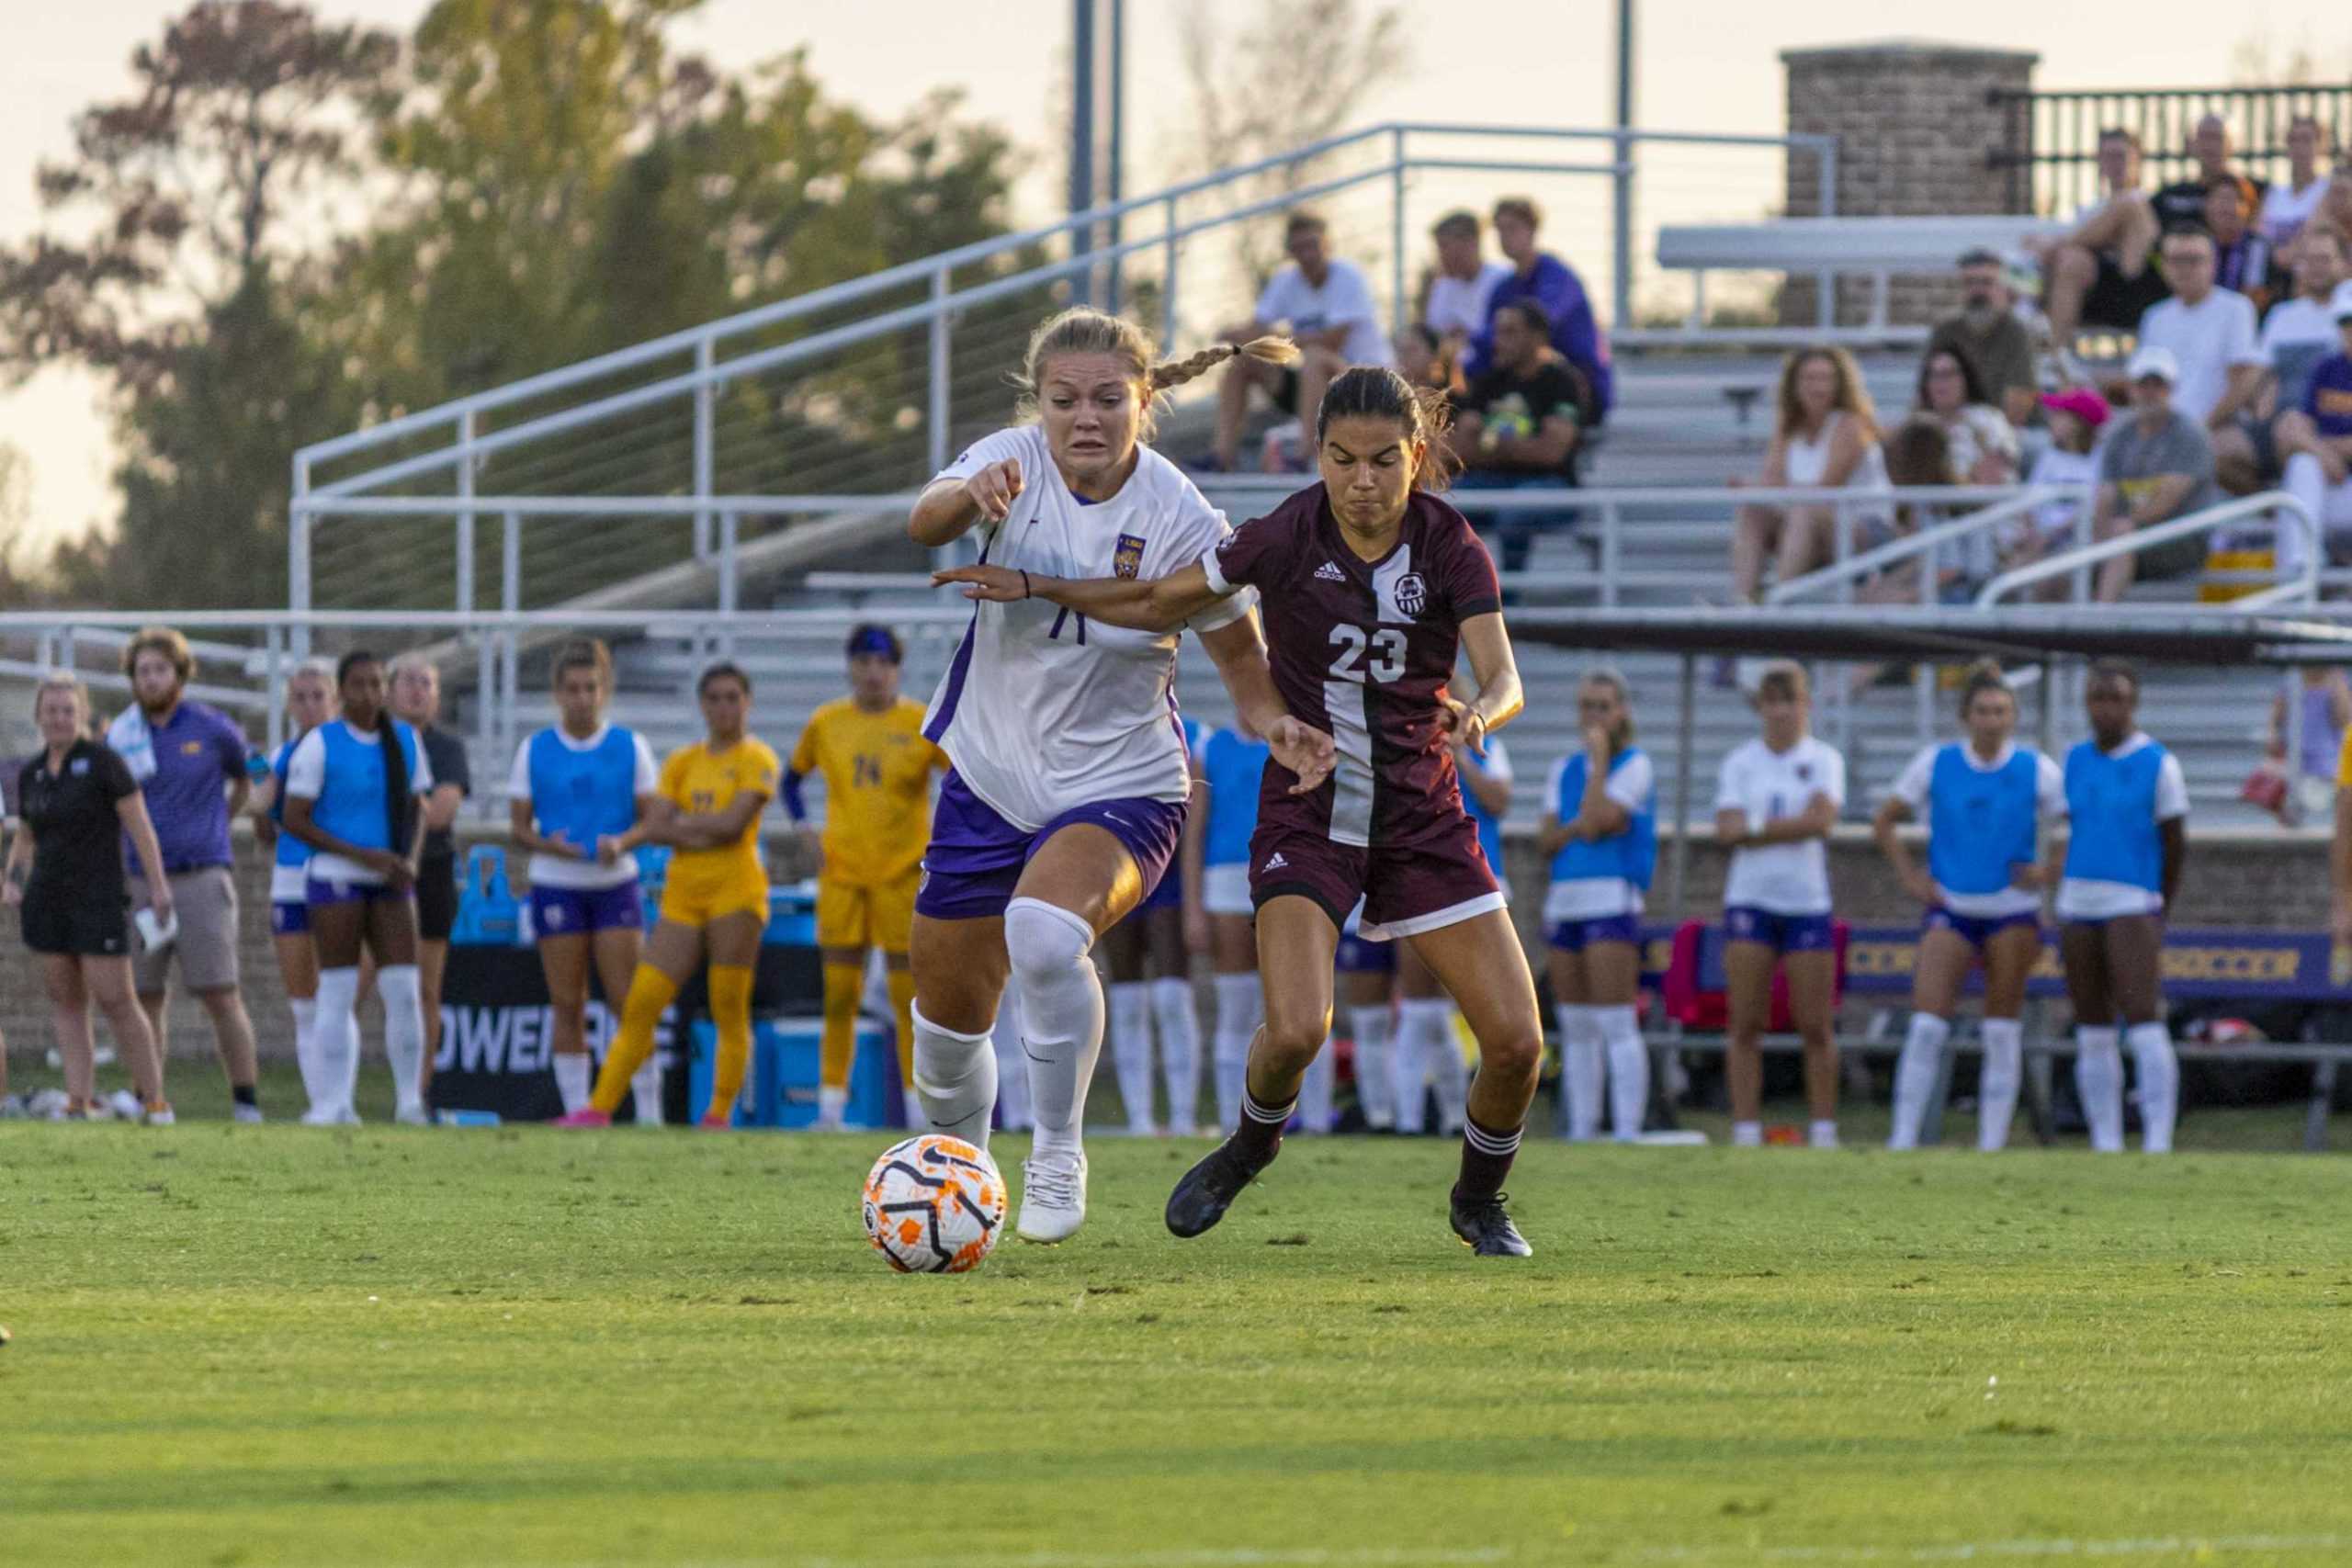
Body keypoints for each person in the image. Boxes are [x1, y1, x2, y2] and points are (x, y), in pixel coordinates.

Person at [947, 366, 1543, 1257]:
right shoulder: (1283, 534)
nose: (1363, 482)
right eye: (1342, 460)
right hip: (1309, 812)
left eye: (1384, 461)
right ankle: (1249, 1145)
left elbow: (1504, 677)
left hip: (1422, 816)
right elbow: (1159, 600)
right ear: (1320, 454)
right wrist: (1040, 589)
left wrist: (1477, 712)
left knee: (1515, 1044)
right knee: (1297, 1029)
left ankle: (1478, 1201)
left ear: (1416, 457)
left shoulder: (1449, 544)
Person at [909, 306, 1332, 1245]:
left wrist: (1279, 728)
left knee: (1044, 932)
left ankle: (1058, 1144)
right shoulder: (1007, 459)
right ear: (1040, 403)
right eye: (1064, 400)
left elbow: (1241, 667)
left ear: (1146, 401)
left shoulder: (1182, 517)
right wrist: (970, 494)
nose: (1084, 419)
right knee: (942, 1041)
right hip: (989, 771)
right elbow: (923, 522)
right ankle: (954, 1188)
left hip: (1124, 783)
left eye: (1107, 399)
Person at [559, 662, 777, 1130]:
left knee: (727, 1004)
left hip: (736, 894)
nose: (723, 707)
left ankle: (718, 1112)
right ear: (702, 704)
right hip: (684, 894)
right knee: (643, 999)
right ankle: (599, 1108)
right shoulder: (682, 761)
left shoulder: (758, 759)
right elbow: (660, 826)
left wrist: (681, 829)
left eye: (732, 697)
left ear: (748, 702)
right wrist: (675, 833)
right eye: (714, 697)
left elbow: (731, 827)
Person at [1874, 663, 2064, 1154]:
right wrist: (1911, 878)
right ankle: (1901, 1137)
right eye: (1982, 710)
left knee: (2001, 1027)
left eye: (2001, 710)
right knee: (1927, 1022)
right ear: (1965, 716)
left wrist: (2049, 873)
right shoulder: (1935, 763)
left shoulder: (2035, 767)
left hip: (2012, 909)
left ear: (2013, 716)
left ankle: (1991, 1143)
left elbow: (2075, 821)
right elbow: (1886, 820)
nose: (1992, 719)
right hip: (1953, 905)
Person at [783, 624, 948, 1131]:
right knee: (839, 994)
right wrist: (806, 834)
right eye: (863, 661)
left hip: (901, 877)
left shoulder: (921, 721)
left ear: (897, 668)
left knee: (906, 1000)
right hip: (844, 875)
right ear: (851, 667)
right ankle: (831, 1107)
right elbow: (791, 781)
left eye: (883, 662)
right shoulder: (827, 722)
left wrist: (941, 843)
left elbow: (960, 781)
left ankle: (917, 1111)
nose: (873, 672)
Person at [106, 626, 263, 1120]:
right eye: (142, 671)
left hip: (200, 878)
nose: (151, 680)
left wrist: (220, 820)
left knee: (220, 992)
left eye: (160, 669)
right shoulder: (122, 734)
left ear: (180, 673)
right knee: (144, 997)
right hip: (138, 882)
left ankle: (245, 1102)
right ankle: (147, 1097)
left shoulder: (212, 727)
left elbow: (250, 778)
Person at [6, 673, 172, 1122]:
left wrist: (158, 885)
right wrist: (12, 878)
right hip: (48, 901)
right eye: (51, 710)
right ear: (39, 715)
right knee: (66, 1000)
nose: (59, 718)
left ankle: (155, 1100)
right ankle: (79, 1100)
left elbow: (140, 828)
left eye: (67, 710)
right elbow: (26, 834)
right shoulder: (32, 771)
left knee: (117, 999)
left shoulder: (104, 763)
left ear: (80, 714)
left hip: (97, 900)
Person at [507, 639, 662, 1121]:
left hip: (614, 883)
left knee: (626, 1000)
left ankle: (649, 1110)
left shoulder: (630, 745)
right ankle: (578, 1108)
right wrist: (547, 845)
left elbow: (652, 819)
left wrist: (624, 842)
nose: (582, 697)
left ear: (604, 690)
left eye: (590, 688)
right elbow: (518, 827)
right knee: (567, 1000)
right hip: (557, 883)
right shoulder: (534, 748)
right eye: (572, 689)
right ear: (557, 693)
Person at [279, 651, 435, 1125]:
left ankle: (409, 1100)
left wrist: (409, 859)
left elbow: (419, 809)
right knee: (338, 989)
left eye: (375, 684)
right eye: (358, 685)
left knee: (405, 989)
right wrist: (359, 855)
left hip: (390, 881)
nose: (368, 694)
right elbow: (294, 818)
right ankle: (334, 1103)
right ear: (342, 691)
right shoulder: (320, 744)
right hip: (335, 878)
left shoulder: (405, 740)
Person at [2058, 663, 2188, 1155]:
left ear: (2133, 704)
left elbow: (2175, 842)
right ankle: (2105, 1139)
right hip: (2078, 898)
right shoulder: (2073, 760)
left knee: (2141, 1014)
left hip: (2131, 899)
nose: (2105, 707)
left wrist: (2159, 905)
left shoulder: (2158, 763)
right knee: (2091, 1021)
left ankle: (2157, 1138)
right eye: (2097, 698)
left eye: (2115, 698)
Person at [1714, 662, 1844, 1149]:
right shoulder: (1740, 762)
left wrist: (1754, 828)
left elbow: (1822, 821)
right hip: (1750, 899)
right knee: (1745, 1021)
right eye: (1772, 700)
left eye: (1790, 700)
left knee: (1815, 1023)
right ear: (1760, 708)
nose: (1782, 711)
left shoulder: (1825, 759)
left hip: (1806, 901)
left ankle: (1824, 1130)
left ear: (1806, 705)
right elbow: (1725, 830)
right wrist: (1786, 824)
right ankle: (1746, 1129)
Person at [1537, 670, 1655, 1143]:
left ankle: (1626, 1130)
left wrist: (1602, 760)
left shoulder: (1635, 763)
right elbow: (1547, 839)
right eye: (1587, 705)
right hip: (1565, 901)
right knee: (1576, 1024)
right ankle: (1583, 1130)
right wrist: (1576, 825)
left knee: (1615, 1020)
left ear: (1621, 711)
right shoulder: (1563, 767)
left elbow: (1591, 822)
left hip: (1611, 898)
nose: (1594, 715)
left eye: (1604, 706)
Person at [1390, 728, 1510, 1139]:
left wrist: (1458, 756)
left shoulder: (1487, 748)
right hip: (1417, 878)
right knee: (1419, 1006)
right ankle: (1405, 1120)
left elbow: (1498, 801)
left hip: (1476, 884)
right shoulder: (1405, 746)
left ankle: (1460, 1119)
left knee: (1461, 1008)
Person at [248, 659, 355, 1122]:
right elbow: (268, 834)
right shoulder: (281, 757)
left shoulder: (350, 752)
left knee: (337, 993)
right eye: (301, 697)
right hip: (290, 880)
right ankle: (320, 1104)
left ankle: (342, 1102)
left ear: (335, 699)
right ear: (290, 703)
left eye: (319, 696)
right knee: (303, 1002)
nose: (310, 705)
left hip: (337, 878)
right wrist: (259, 805)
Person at [1211, 211, 1388, 471]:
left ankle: (1304, 454)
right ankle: (1221, 455)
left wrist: (1273, 337)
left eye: (1312, 245)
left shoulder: (1348, 277)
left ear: (1327, 245)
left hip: (1363, 386)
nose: (1306, 254)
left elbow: (1332, 341)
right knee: (1243, 363)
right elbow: (1257, 327)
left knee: (1315, 358)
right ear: (1290, 252)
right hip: (1315, 386)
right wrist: (1232, 333)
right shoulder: (1286, 280)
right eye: (1298, 248)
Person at [1101, 712, 1204, 1137]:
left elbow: (1195, 821)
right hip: (1114, 869)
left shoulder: (1195, 735)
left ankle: (1182, 1116)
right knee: (1126, 1001)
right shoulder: (1101, 728)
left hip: (1168, 874)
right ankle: (1139, 1119)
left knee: (1171, 997)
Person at [1727, 345, 1891, 604]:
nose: (1818, 387)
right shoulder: (1788, 428)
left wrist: (1765, 488)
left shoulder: (1851, 425)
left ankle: (1778, 603)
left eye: (1826, 378)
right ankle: (1743, 601)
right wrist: (1754, 489)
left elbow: (1827, 488)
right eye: (1810, 378)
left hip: (1864, 528)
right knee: (1753, 510)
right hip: (1807, 521)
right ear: (1794, 384)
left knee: (1806, 509)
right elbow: (1773, 481)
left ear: (1840, 384)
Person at [1450, 299, 1585, 579]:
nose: (1499, 340)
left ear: (1538, 337)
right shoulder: (1490, 381)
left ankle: (1506, 603)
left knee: (1515, 512)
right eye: (1498, 331)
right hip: (1490, 481)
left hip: (1551, 484)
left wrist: (1491, 445)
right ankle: (1449, 599)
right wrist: (1520, 448)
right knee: (1441, 510)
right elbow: (1461, 448)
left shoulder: (1562, 382)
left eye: (1510, 332)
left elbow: (1551, 454)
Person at [390, 656, 469, 1108]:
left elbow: (440, 815)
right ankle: (335, 1091)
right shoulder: (374, 743)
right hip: (376, 872)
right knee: (355, 985)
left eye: (426, 683)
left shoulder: (448, 749)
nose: (417, 691)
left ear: (437, 696)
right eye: (408, 682)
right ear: (390, 691)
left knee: (425, 989)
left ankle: (416, 1095)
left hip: (431, 873)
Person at [1185, 718, 1272, 1132]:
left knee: (1290, 1009)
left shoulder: (1294, 742)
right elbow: (1195, 832)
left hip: (1281, 876)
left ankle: (1305, 1116)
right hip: (1225, 880)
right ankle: (1229, 1119)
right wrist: (1193, 907)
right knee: (1236, 1007)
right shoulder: (1212, 748)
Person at [2090, 345, 2222, 603]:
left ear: (2171, 389)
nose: (2150, 393)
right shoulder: (2119, 435)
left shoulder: (2190, 436)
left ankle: (2095, 622)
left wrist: (2118, 522)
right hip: (2130, 535)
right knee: (2062, 548)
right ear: (2131, 389)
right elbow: (2105, 498)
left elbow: (2165, 501)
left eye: (2158, 385)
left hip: (2181, 538)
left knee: (2121, 533)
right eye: (2143, 384)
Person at [1469, 197, 1611, 423]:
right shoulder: (1504, 287)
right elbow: (1489, 340)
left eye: (1513, 228)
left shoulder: (1558, 277)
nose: (1505, 237)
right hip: (1526, 384)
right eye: (1500, 230)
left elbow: (1534, 327)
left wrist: (1473, 339)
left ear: (1533, 230)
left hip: (1574, 384)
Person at [2032, 128, 2165, 350]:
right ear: (2100, 162)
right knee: (2070, 259)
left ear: (2137, 160)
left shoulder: (2146, 203)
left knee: (2127, 204)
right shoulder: (2088, 211)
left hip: (2140, 285)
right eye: (2109, 156)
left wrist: (2055, 245)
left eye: (2122, 156)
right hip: (2101, 294)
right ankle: (2055, 354)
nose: (2116, 164)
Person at [2138, 229, 2263, 433]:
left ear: (2212, 264)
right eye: (2176, 260)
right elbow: (2145, 384)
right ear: (2164, 266)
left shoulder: (2236, 308)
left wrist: (2202, 429)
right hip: (2163, 431)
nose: (2185, 268)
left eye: (2194, 260)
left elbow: (2244, 380)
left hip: (2217, 429)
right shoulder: (2154, 317)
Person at [2278, 281, 2352, 569]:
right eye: (2346, 323)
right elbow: (2292, 426)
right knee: (2302, 465)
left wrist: (2324, 447)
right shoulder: (2327, 367)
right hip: (2337, 484)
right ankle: (2300, 567)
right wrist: (2323, 453)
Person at [1999, 388, 2109, 575]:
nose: (2052, 421)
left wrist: (2050, 536)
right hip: (2040, 542)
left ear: (2078, 424)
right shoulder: (2050, 456)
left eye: (2060, 416)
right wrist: (2032, 533)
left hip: (2076, 545)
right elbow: (2029, 503)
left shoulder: (2101, 459)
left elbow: (2095, 507)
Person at [1928, 250, 2038, 428]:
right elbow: (1925, 395)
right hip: (1955, 428)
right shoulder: (1945, 330)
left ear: (2002, 288)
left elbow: (2019, 403)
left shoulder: (2016, 331)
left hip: (2009, 432)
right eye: (1969, 283)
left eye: (1986, 282)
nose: (1977, 291)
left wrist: (1988, 445)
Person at [1418, 209, 1510, 369]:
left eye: (1444, 246)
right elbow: (1434, 337)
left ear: (1471, 243)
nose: (1439, 255)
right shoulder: (1442, 286)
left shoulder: (1502, 279)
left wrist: (1466, 335)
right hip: (1450, 376)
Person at [1913, 347, 2020, 485]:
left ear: (1965, 378)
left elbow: (1999, 473)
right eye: (1933, 375)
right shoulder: (1917, 426)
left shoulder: (1989, 419)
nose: (1940, 383)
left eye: (1948, 374)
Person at [2152, 115, 2264, 234]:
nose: (2210, 146)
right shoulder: (2171, 195)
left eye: (2217, 138)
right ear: (2191, 144)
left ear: (2231, 144)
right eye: (2204, 138)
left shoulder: (2254, 190)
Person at [2258, 117, 2334, 253]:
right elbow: (2261, 236)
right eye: (2294, 140)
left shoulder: (2327, 190)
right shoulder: (2275, 193)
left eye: (2306, 140)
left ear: (2320, 146)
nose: (2299, 147)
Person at [2203, 177, 2273, 311]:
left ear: (2249, 207)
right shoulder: (2199, 245)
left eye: (2234, 199)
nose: (2225, 207)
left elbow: (2257, 295)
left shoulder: (2258, 247)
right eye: (2219, 199)